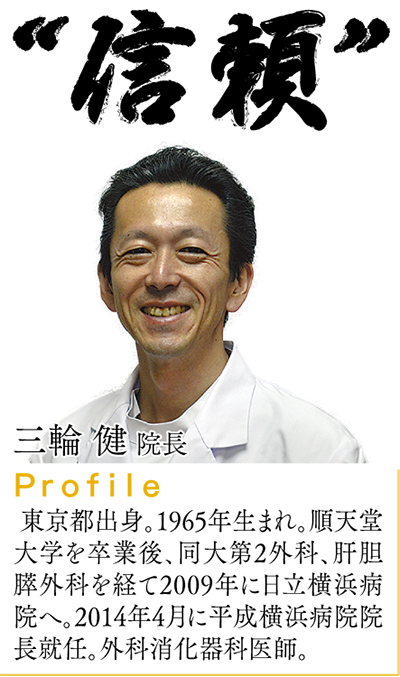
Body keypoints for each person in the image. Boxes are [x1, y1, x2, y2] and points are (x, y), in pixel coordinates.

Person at [31, 146, 365, 464]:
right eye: (138, 251)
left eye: (191, 251)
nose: (161, 277)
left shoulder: (318, 451)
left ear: (238, 283)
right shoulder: (61, 453)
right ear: (106, 284)